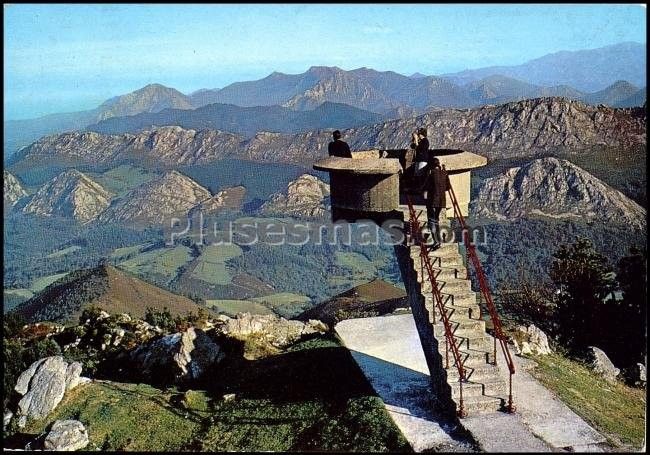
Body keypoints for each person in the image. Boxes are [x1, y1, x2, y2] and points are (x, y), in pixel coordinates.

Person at [419, 156, 450, 249]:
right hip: (441, 202)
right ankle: (438, 240)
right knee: (436, 221)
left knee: (432, 222)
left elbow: (425, 186)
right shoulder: (444, 173)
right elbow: (448, 187)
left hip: (432, 201)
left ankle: (436, 241)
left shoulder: (431, 173)